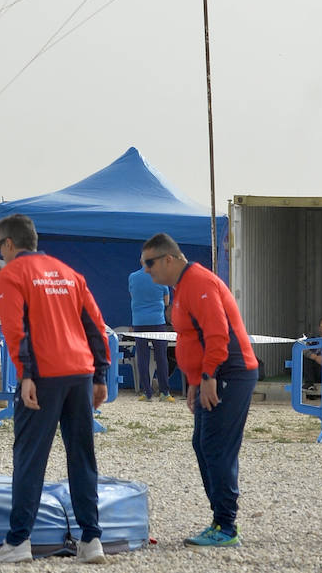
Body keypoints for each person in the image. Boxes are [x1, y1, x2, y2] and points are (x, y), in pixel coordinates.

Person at [0, 214, 108, 565]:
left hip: (44, 373)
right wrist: (100, 375)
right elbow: (96, 325)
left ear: (9, 244)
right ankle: (91, 539)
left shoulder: (10, 275)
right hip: (80, 373)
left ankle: (18, 541)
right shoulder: (69, 273)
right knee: (82, 456)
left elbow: (15, 329)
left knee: (30, 458)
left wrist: (26, 374)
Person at [143, 232, 257, 550]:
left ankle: (226, 525)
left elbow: (217, 334)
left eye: (149, 264)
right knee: (203, 444)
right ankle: (220, 520)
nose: (146, 271)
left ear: (169, 259)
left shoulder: (199, 283)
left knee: (216, 446)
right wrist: (194, 379)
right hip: (212, 375)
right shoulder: (182, 287)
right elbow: (193, 338)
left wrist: (207, 376)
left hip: (228, 374)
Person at [128, 256, 174, 401]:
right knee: (161, 357)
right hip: (157, 321)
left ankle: (146, 392)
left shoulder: (133, 277)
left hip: (139, 321)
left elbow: (132, 295)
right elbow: (167, 302)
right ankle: (164, 392)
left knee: (142, 357)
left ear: (141, 261)